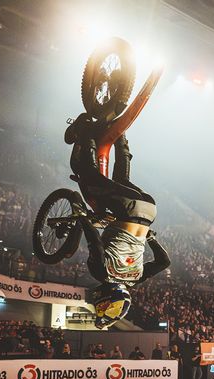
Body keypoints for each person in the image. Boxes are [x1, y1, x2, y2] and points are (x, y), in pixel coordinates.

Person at [62, 106, 170, 329]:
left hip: (149, 210)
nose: (99, 304)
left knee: (121, 178)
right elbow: (94, 240)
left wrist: (150, 238)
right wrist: (82, 217)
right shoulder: (102, 273)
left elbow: (164, 262)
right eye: (103, 307)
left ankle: (121, 135)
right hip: (126, 210)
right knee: (90, 179)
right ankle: (85, 130)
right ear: (109, 299)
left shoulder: (136, 278)